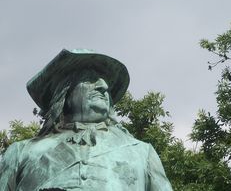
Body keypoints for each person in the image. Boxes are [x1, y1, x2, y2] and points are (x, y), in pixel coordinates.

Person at [0, 49, 173, 191]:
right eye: (90, 79)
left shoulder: (142, 153)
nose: (103, 86)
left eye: (105, 83)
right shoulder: (21, 153)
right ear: (64, 93)